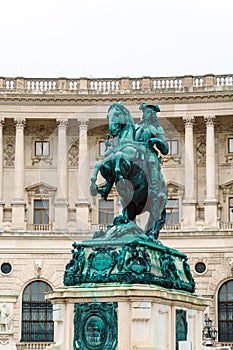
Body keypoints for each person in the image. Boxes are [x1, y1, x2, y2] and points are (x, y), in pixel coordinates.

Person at [135, 103, 169, 196]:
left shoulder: (157, 129)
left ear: (152, 115)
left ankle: (154, 188)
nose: (145, 114)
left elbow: (165, 149)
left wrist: (156, 140)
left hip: (148, 151)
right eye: (144, 112)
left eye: (147, 112)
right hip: (135, 152)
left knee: (151, 162)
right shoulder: (136, 127)